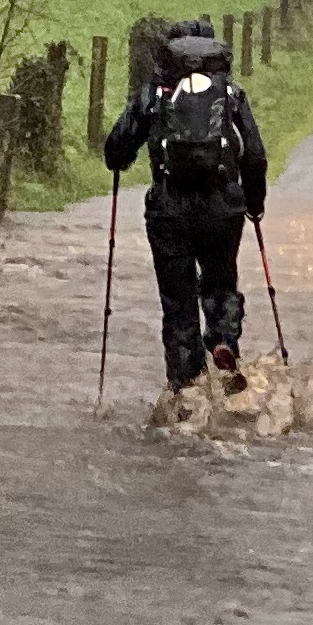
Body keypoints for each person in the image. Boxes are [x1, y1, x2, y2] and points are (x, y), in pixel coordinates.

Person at [102, 22, 271, 388]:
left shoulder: (154, 93)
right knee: (221, 282)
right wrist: (253, 205)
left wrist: (120, 159)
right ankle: (224, 341)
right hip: (222, 211)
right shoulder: (230, 94)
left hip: (169, 213)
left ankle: (186, 393)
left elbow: (116, 149)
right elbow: (255, 156)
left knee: (178, 306)